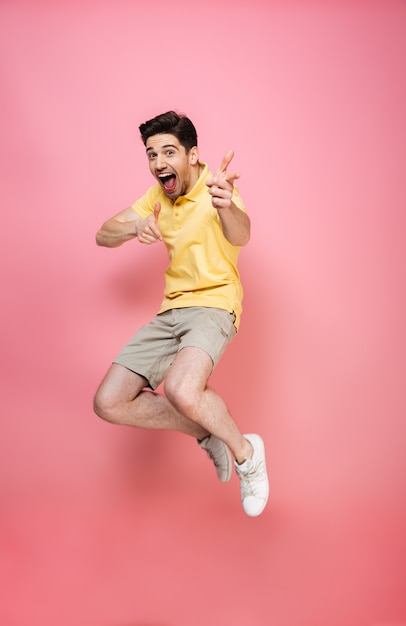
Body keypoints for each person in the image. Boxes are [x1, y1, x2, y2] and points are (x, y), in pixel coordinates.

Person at [93, 111, 269, 517]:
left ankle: (247, 454)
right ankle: (204, 431)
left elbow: (240, 233)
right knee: (109, 402)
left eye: (168, 152)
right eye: (152, 154)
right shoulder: (156, 198)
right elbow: (103, 235)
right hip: (171, 310)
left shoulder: (217, 189)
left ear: (193, 155)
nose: (158, 163)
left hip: (214, 305)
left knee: (183, 389)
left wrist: (226, 205)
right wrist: (133, 229)